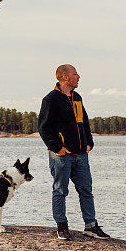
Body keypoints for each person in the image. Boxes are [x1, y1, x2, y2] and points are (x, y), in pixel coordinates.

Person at [38, 64, 110, 241]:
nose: (79, 77)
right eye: (75, 74)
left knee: (86, 191)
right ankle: (62, 226)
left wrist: (89, 143)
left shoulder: (77, 97)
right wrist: (57, 148)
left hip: (81, 156)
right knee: (60, 191)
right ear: (64, 77)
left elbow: (84, 122)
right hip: (61, 156)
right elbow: (43, 127)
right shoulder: (51, 99)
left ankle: (91, 226)